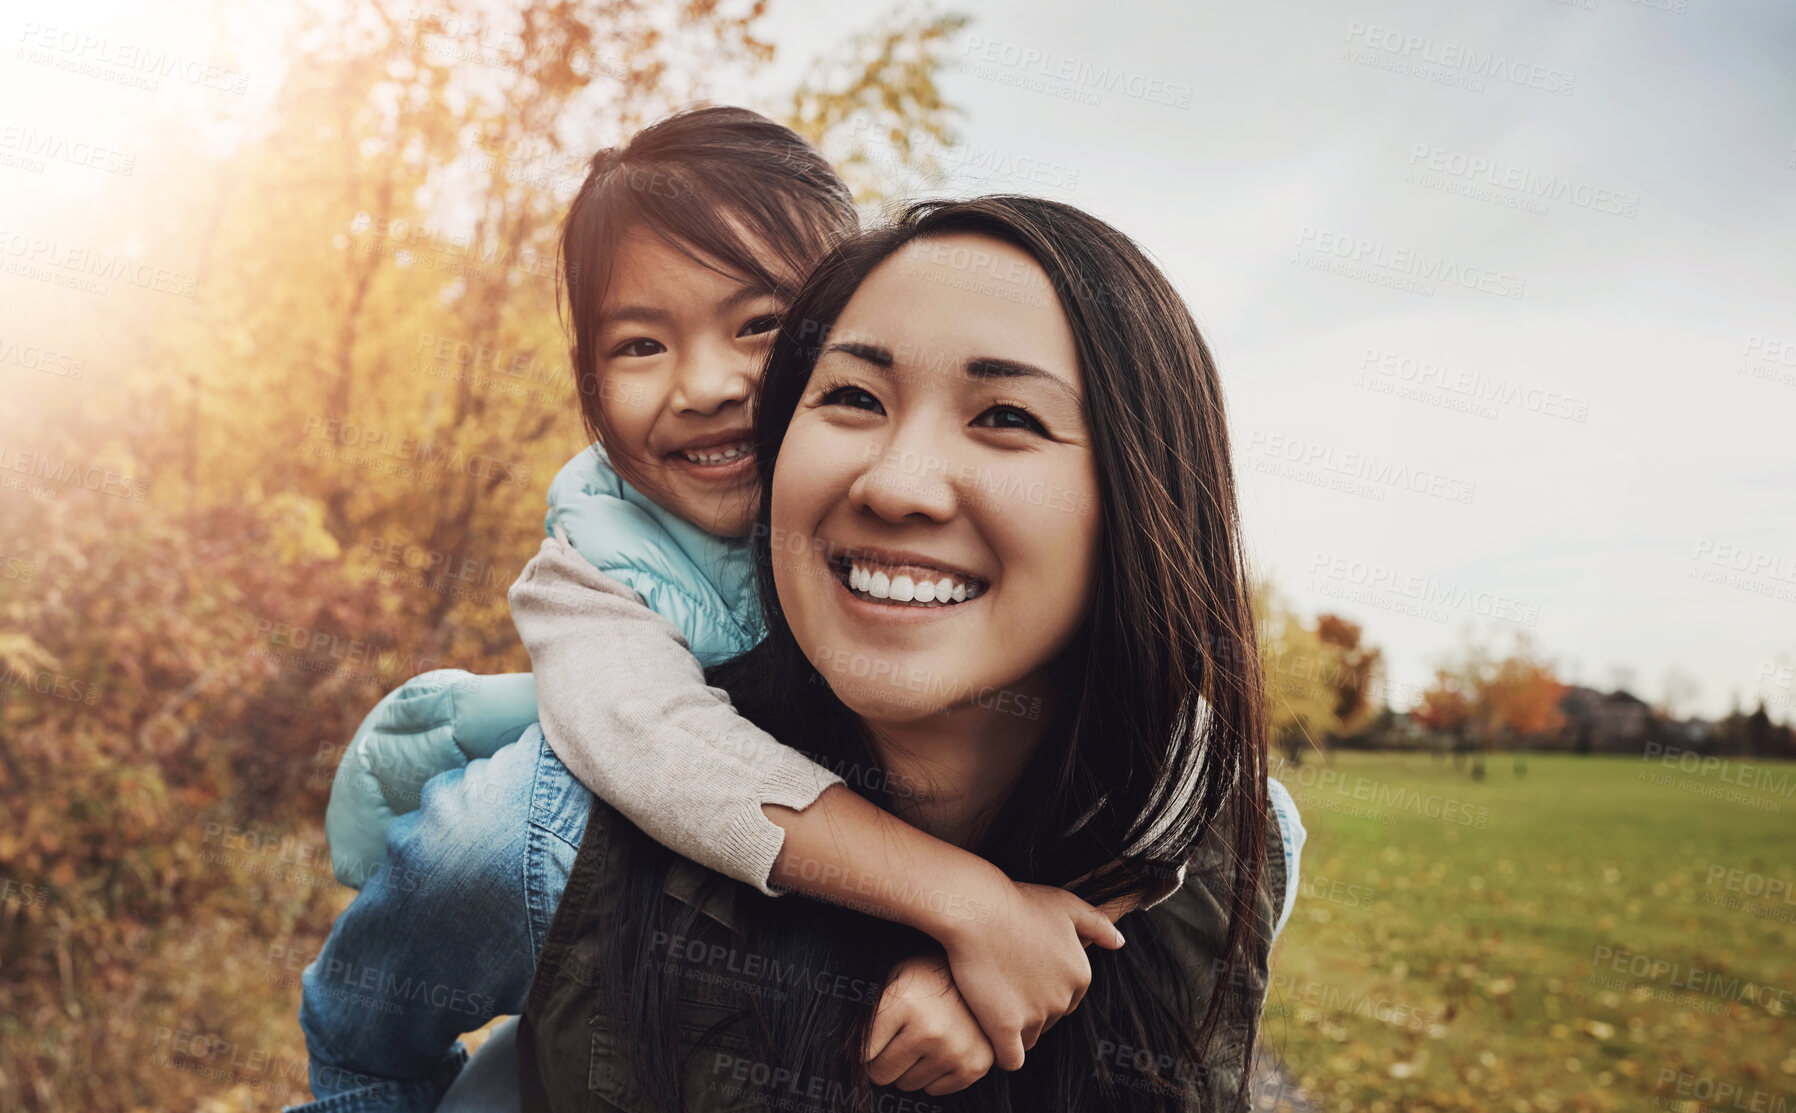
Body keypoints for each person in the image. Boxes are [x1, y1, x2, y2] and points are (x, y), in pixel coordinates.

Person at [296, 109, 1305, 1111]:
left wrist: (1050, 927)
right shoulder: (581, 623)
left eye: (761, 328)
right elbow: (650, 744)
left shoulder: (1229, 841)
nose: (706, 385)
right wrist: (964, 904)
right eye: (641, 343)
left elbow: (1195, 766)